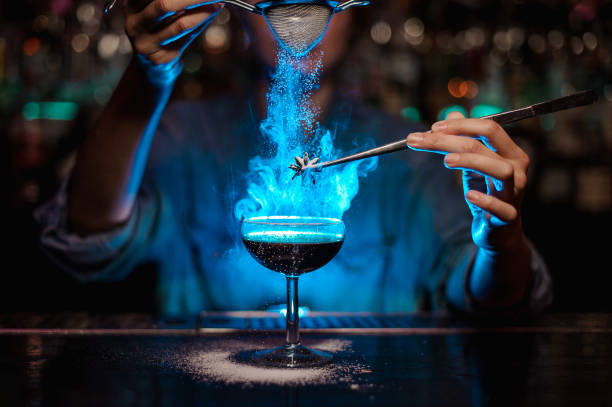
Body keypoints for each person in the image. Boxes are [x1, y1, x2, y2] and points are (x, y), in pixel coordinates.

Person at [35, 0, 552, 315]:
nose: (300, 16)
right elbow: (87, 244)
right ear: (238, 11)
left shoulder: (412, 155)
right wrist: (149, 75)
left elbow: (489, 301)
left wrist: (499, 243)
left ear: (356, 12)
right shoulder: (182, 136)